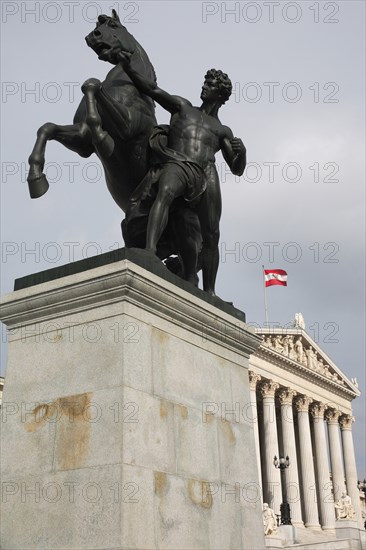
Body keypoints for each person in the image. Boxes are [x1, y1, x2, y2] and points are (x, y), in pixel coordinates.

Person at [118, 51, 246, 295]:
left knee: (212, 233)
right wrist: (129, 68)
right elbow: (151, 89)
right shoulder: (182, 107)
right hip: (179, 162)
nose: (204, 86)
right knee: (164, 194)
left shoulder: (222, 130)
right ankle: (150, 252)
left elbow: (237, 169)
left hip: (206, 172)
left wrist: (243, 153)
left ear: (220, 93)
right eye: (205, 82)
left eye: (209, 84)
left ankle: (210, 291)